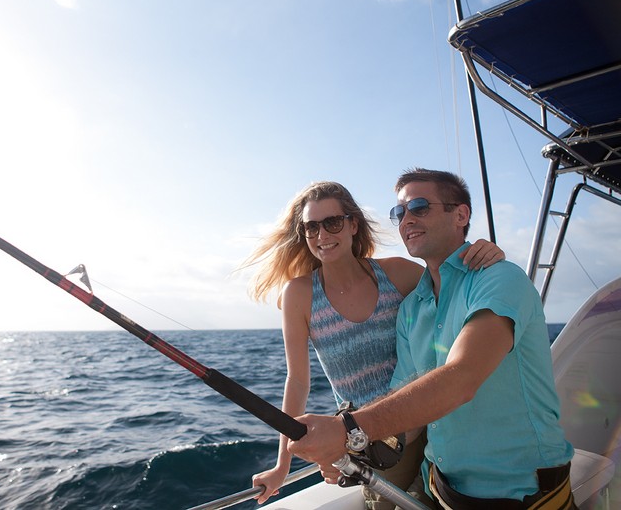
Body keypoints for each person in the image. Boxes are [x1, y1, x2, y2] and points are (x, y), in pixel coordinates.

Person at [287, 169, 576, 509]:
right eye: (400, 212)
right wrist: (353, 447)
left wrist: (346, 429)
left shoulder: (498, 279)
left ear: (461, 215)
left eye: (420, 207)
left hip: (520, 494)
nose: (407, 219)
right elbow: (405, 400)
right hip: (441, 486)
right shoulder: (412, 308)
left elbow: (461, 378)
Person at [241, 181, 505, 507]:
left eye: (332, 222)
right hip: (373, 445)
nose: (322, 235)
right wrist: (282, 467)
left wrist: (484, 253)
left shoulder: (398, 273)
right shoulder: (299, 294)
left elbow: (455, 287)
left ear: (353, 224)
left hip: (435, 423)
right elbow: (297, 381)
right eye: (311, 227)